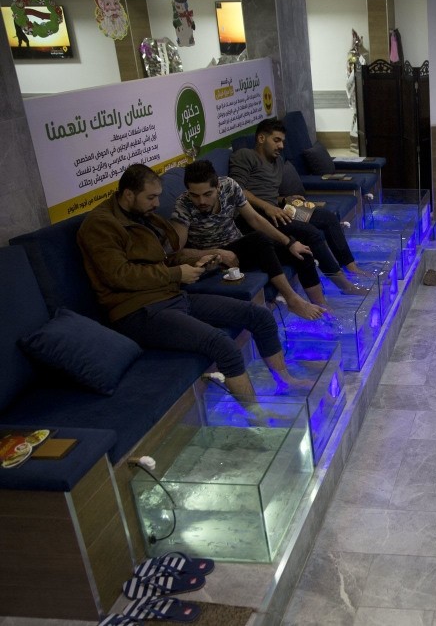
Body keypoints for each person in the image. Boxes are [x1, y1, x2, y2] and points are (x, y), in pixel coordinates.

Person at [76, 163, 311, 422]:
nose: (157, 204)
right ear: (129, 194)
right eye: (151, 198)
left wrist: (198, 262)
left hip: (170, 295)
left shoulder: (141, 215)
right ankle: (258, 417)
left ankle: (285, 382)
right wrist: (177, 274)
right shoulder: (100, 225)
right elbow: (120, 276)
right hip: (137, 311)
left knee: (260, 316)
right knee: (223, 345)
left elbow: (165, 257)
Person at [172, 162, 363, 322]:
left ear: (218, 188)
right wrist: (217, 253)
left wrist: (289, 243)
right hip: (215, 260)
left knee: (300, 250)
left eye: (207, 194)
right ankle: (292, 300)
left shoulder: (229, 186)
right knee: (259, 239)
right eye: (195, 195)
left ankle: (322, 306)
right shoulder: (183, 206)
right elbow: (176, 253)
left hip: (239, 247)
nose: (201, 201)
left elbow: (255, 219)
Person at [228, 118, 372, 279]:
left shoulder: (278, 161)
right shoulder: (245, 155)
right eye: (276, 140)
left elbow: (267, 193)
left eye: (282, 141)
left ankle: (351, 268)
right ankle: (341, 281)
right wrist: (267, 207)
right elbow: (237, 190)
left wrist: (284, 199)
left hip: (278, 209)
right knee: (310, 232)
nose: (281, 146)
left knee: (328, 218)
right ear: (261, 138)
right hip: (255, 215)